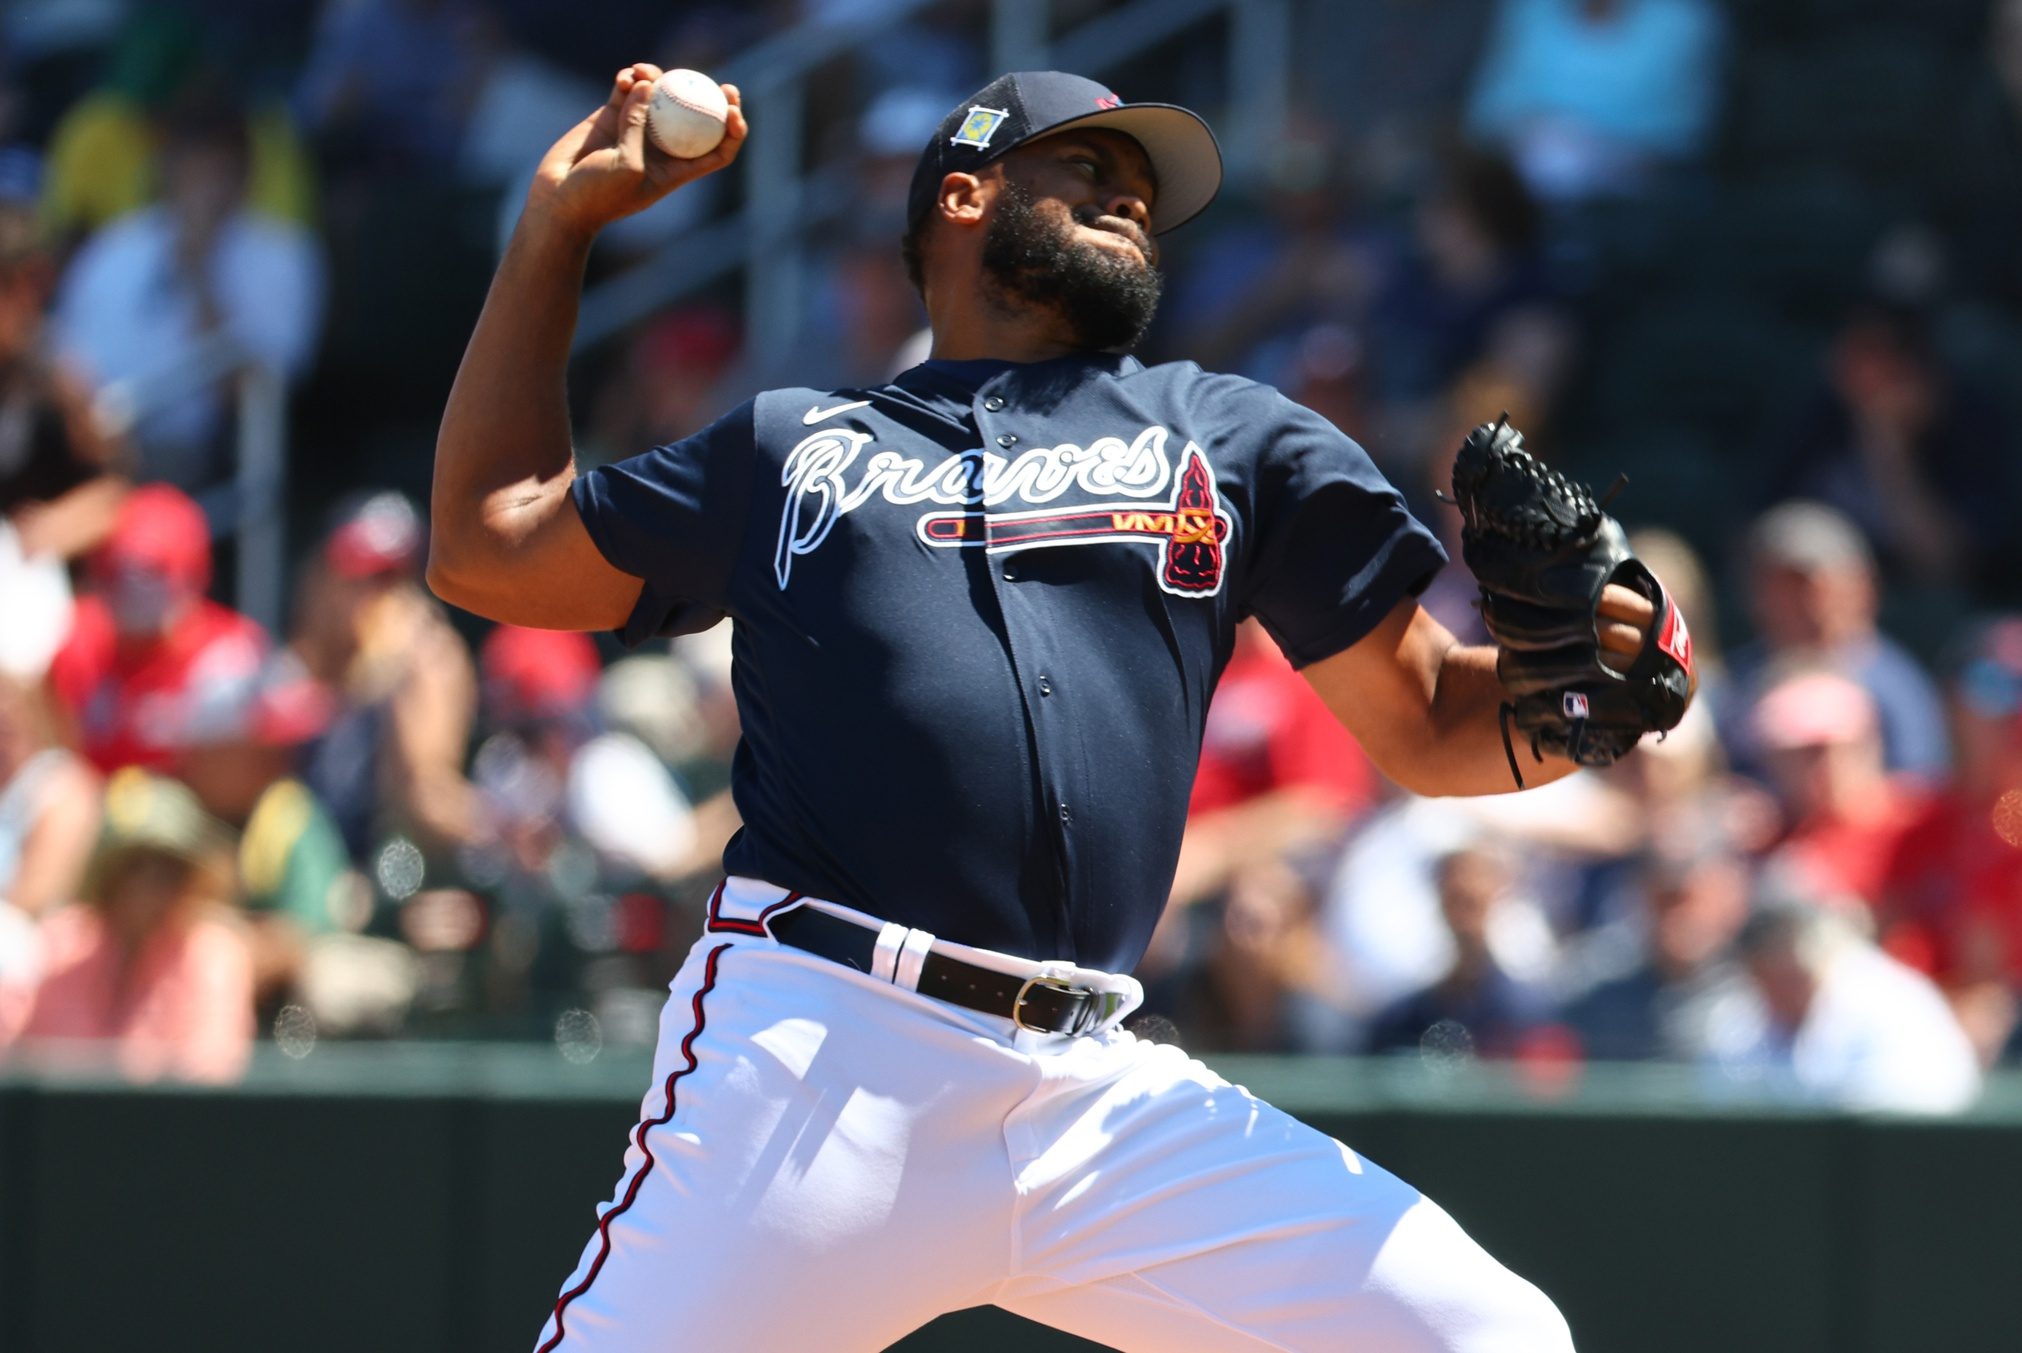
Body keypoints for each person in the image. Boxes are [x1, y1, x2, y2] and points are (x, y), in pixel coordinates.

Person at [428, 65, 1692, 1350]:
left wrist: (1589, 689)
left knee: (1490, 1336)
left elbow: (1432, 721)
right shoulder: (791, 445)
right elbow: (487, 548)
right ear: (965, 197)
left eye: (1145, 191)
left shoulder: (1227, 433)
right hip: (826, 1053)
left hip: (1096, 1085)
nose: (1130, 201)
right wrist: (559, 228)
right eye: (1089, 171)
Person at [5, 767, 254, 1084]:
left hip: (170, 1126)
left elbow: (212, 1071)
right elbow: (26, 1059)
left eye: (166, 869)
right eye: (134, 866)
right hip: (64, 1126)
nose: (147, 885)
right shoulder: (61, 942)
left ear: (188, 880)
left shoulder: (213, 953)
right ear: (108, 874)